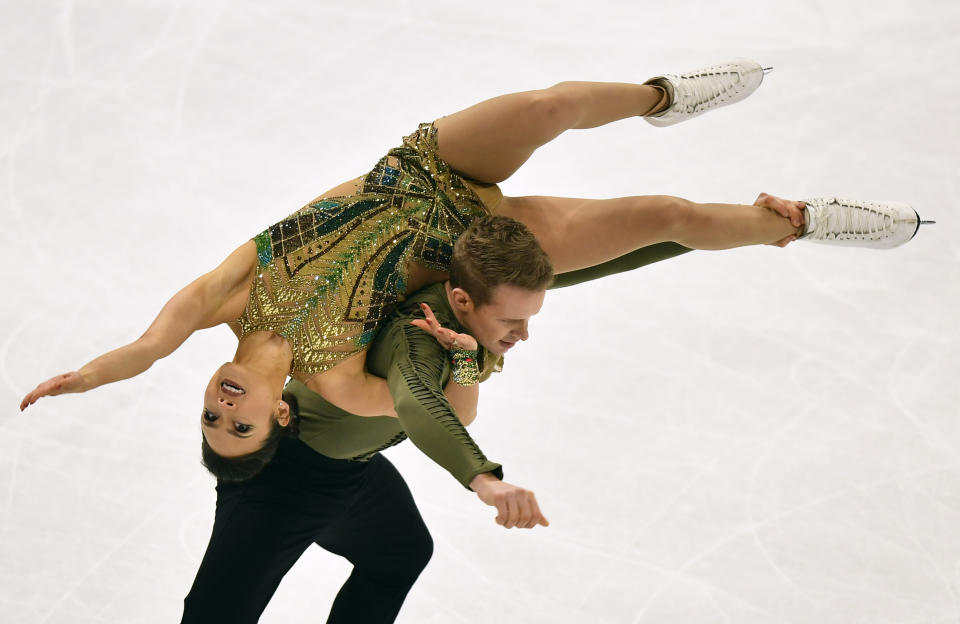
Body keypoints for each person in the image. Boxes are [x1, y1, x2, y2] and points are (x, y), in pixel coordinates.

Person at [18, 58, 925, 478]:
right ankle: (797, 224)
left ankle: (663, 95)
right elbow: (431, 407)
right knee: (668, 218)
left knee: (554, 102)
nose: (222, 405)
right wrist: (476, 362)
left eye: (209, 415)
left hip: (415, 171)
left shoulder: (225, 299)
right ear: (278, 415)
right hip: (472, 232)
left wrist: (87, 378)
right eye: (239, 427)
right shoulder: (336, 374)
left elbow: (145, 345)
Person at [181, 215, 694, 624]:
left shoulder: (482, 298)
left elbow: (595, 262)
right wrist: (484, 480)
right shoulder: (417, 338)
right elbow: (420, 402)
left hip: (349, 472)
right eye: (239, 427)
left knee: (400, 553)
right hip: (283, 484)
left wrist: (706, 236)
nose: (522, 333)